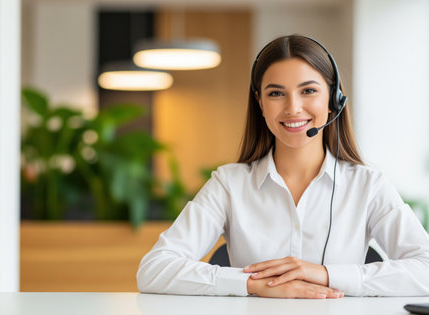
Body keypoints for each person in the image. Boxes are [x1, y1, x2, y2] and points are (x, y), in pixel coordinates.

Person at [137, 34, 429, 298]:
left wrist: (325, 274)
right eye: (276, 93)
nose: (292, 108)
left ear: (333, 100)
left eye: (308, 91)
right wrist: (250, 284)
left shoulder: (367, 185)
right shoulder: (230, 183)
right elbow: (154, 269)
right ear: (260, 103)